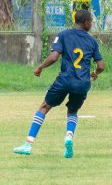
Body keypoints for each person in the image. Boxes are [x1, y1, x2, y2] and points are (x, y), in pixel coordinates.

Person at [13, 10, 105, 158]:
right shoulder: (92, 41)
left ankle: (28, 145)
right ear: (86, 23)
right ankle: (68, 137)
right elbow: (101, 66)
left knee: (44, 107)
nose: (92, 24)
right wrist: (94, 74)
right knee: (73, 111)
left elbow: (54, 57)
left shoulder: (63, 35)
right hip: (82, 83)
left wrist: (40, 67)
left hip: (65, 80)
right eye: (91, 22)